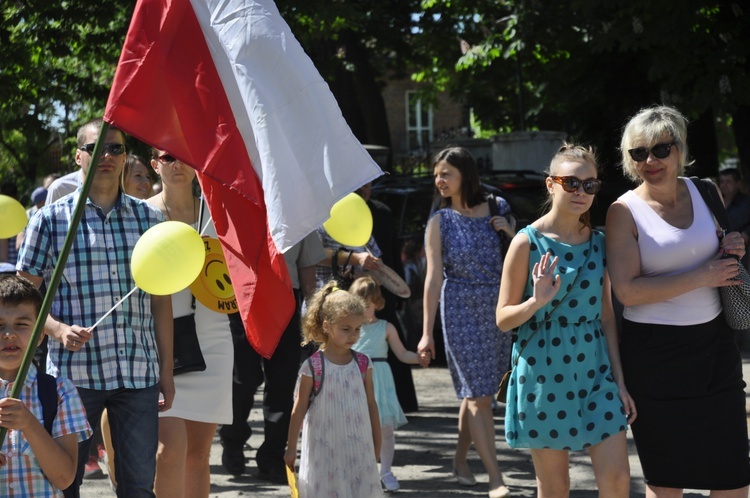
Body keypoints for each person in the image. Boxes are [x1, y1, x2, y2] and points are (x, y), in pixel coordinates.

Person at [16, 117, 174, 498]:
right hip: (72, 377)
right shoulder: (50, 220)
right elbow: (22, 299)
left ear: (125, 158)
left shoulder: (150, 219)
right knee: (65, 483)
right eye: (96, 147)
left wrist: (166, 372)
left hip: (138, 373)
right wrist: (56, 329)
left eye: (115, 148)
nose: (106, 155)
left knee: (138, 488)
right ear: (78, 156)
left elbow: (161, 304)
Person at [606, 105, 750, 497]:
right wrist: (701, 277)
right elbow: (627, 291)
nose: (650, 161)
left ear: (679, 150)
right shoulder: (624, 210)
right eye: (638, 153)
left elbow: (721, 247)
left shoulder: (706, 190)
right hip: (654, 357)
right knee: (666, 483)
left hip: (715, 349)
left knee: (734, 480)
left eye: (660, 150)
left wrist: (735, 245)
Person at [496, 144, 635, 497]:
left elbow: (606, 317)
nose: (581, 192)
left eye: (590, 185)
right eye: (571, 183)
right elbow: (502, 318)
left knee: (618, 478)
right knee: (555, 486)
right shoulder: (526, 243)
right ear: (550, 185)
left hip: (595, 372)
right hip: (543, 375)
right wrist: (535, 301)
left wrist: (620, 382)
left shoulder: (600, 243)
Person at [417, 146, 515, 498]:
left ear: (465, 175)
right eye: (437, 175)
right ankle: (495, 477)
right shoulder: (439, 222)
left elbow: (519, 252)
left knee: (479, 396)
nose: (439, 180)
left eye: (446, 174)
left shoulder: (497, 207)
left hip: (497, 307)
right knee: (478, 396)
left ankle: (460, 460)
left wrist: (510, 230)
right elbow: (432, 279)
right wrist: (426, 333)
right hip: (459, 309)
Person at [147, 149, 233, 498]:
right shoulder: (144, 214)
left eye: (185, 155)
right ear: (155, 164)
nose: (178, 164)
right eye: (168, 157)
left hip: (214, 336)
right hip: (164, 338)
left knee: (198, 456)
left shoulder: (219, 215)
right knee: (168, 453)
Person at [219, 231, 324, 482]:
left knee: (282, 382)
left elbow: (307, 264)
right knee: (242, 379)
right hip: (243, 297)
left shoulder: (296, 207)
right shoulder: (238, 199)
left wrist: (310, 312)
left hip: (285, 298)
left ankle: (273, 456)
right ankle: (232, 441)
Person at [284, 281, 383, 498]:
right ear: (327, 327)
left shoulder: (363, 364)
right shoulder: (313, 366)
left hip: (358, 450)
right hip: (324, 452)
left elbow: (371, 405)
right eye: (346, 329)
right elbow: (299, 408)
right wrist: (291, 447)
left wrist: (377, 444)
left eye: (357, 329)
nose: (353, 335)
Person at [0, 275, 92, 495]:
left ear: (40, 334)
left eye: (21, 325)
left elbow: (64, 478)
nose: (9, 334)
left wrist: (29, 424)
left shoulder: (60, 392)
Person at [349, 276, 427, 492]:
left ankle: (386, 471)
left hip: (380, 381)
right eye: (359, 304)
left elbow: (402, 354)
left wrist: (419, 358)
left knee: (386, 429)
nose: (364, 308)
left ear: (377, 303)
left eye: (368, 304)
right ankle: (363, 472)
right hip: (356, 380)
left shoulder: (386, 327)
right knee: (358, 429)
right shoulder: (349, 329)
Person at [357, 182, 419, 413]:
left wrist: (399, 287)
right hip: (355, 288)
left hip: (385, 286)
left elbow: (393, 251)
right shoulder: (339, 210)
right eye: (361, 186)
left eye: (369, 185)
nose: (366, 189)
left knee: (391, 339)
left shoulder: (382, 211)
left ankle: (403, 402)